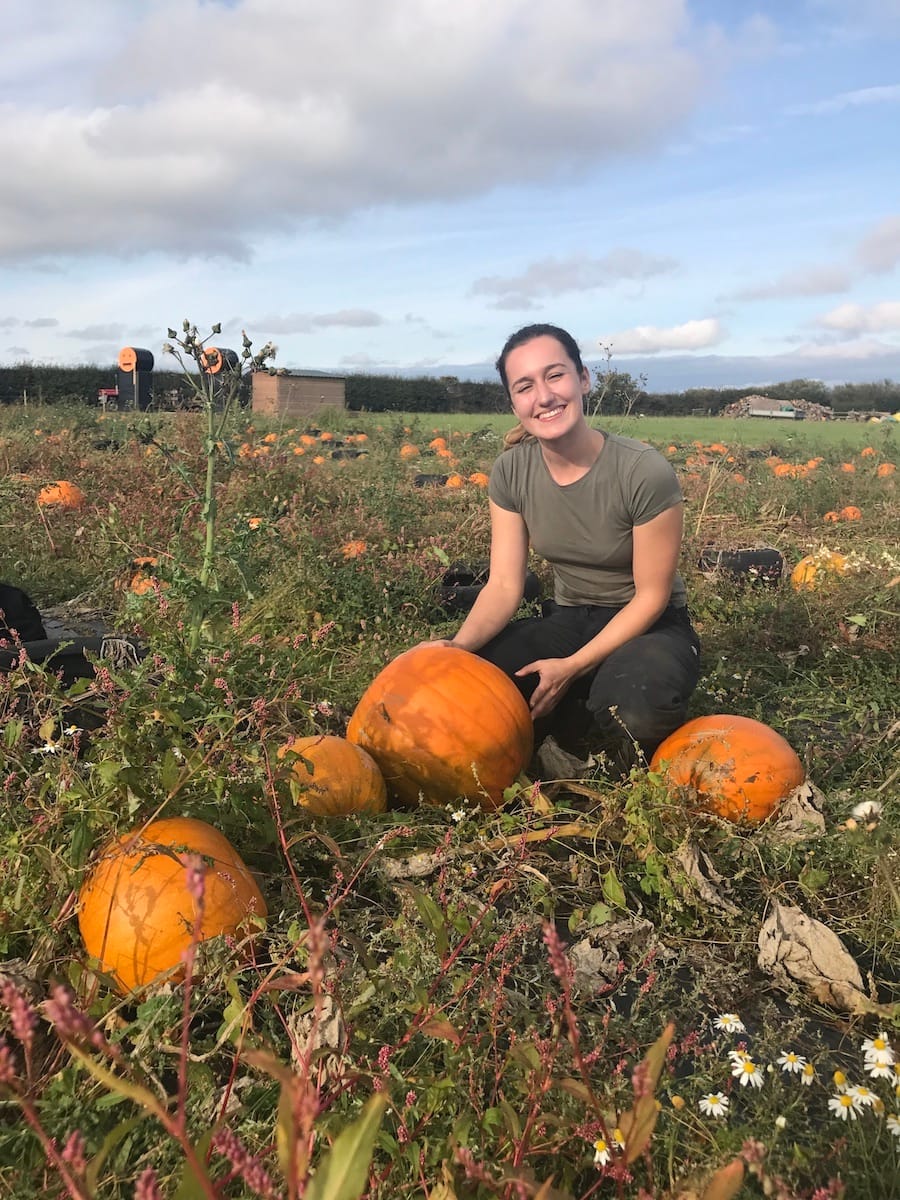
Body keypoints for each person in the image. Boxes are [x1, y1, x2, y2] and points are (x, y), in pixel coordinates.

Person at [436, 322, 701, 770]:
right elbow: (503, 585)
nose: (544, 396)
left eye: (555, 375)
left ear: (583, 380)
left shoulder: (643, 471)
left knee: (632, 711)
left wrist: (573, 665)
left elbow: (652, 596)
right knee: (470, 689)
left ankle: (589, 700)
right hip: (571, 618)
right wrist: (457, 650)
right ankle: (576, 699)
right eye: (525, 386)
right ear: (514, 402)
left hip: (649, 625)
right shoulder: (511, 471)